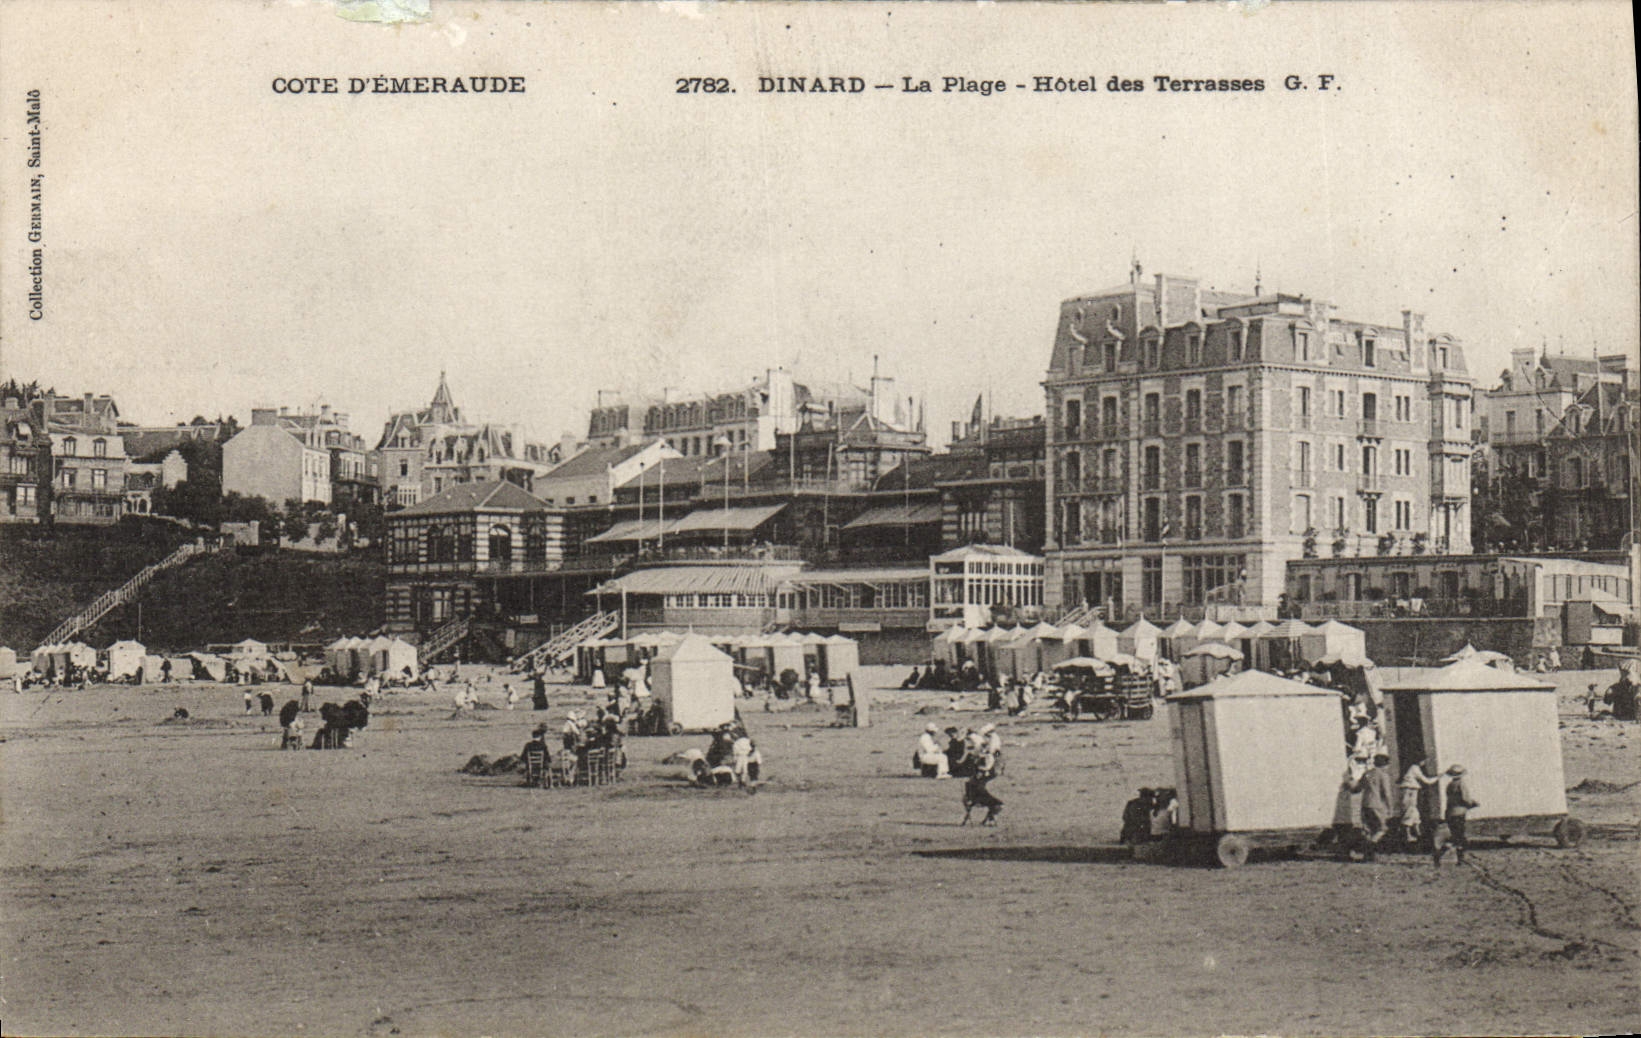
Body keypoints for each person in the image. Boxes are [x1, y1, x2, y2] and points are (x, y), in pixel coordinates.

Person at [1434, 764, 1479, 866]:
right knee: (1459, 837)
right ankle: (1456, 858)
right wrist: (1473, 804)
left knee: (1455, 836)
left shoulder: (1450, 785)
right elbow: (1465, 799)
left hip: (1450, 813)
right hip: (1459, 813)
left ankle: (1442, 854)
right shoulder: (1461, 784)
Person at [1358, 752, 1397, 857]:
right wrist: (1390, 808)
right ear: (1385, 764)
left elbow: (1357, 788)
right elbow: (1387, 793)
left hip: (1365, 803)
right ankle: (1370, 847)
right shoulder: (1383, 775)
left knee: (1369, 829)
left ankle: (1368, 854)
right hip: (1377, 804)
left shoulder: (1367, 774)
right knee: (1382, 829)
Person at [1400, 757, 1440, 845]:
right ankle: (1408, 835)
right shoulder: (1415, 768)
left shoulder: (1412, 769)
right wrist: (1438, 777)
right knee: (1410, 811)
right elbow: (1427, 781)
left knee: (1414, 812)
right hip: (1410, 792)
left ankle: (1418, 833)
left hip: (1410, 791)